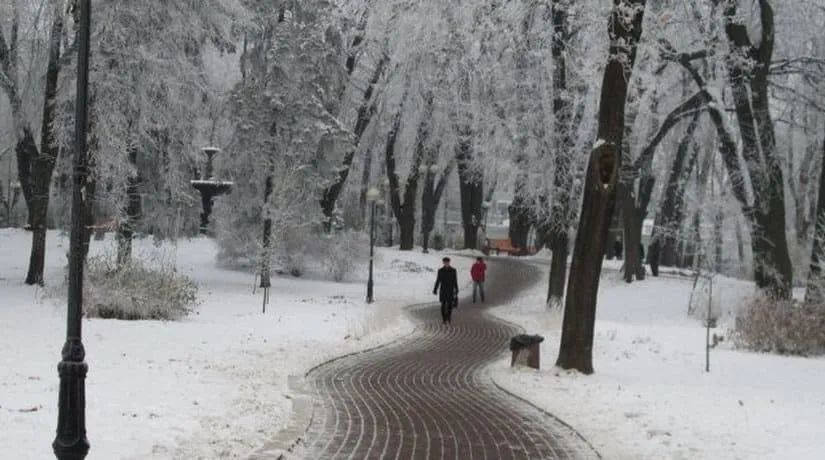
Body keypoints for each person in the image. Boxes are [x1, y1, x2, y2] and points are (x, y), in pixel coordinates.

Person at [433, 257, 458, 324]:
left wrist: (456, 289)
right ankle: (444, 318)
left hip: (450, 289)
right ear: (443, 263)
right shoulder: (440, 270)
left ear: (449, 262)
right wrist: (435, 289)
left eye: (447, 262)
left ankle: (449, 316)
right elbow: (438, 280)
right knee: (443, 305)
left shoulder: (453, 270)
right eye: (445, 262)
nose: (446, 263)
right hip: (443, 290)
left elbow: (455, 280)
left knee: (450, 305)